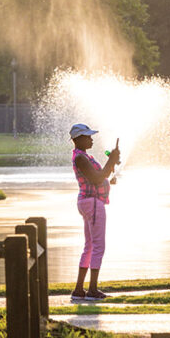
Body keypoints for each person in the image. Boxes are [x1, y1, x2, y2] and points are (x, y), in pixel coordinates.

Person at [69, 123, 120, 302]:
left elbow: (100, 178)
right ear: (78, 139)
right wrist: (111, 161)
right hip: (93, 203)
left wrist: (111, 166)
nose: (91, 139)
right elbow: (97, 178)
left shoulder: (84, 156)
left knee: (90, 246)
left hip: (88, 202)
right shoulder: (81, 158)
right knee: (98, 246)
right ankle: (92, 290)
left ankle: (79, 290)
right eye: (88, 137)